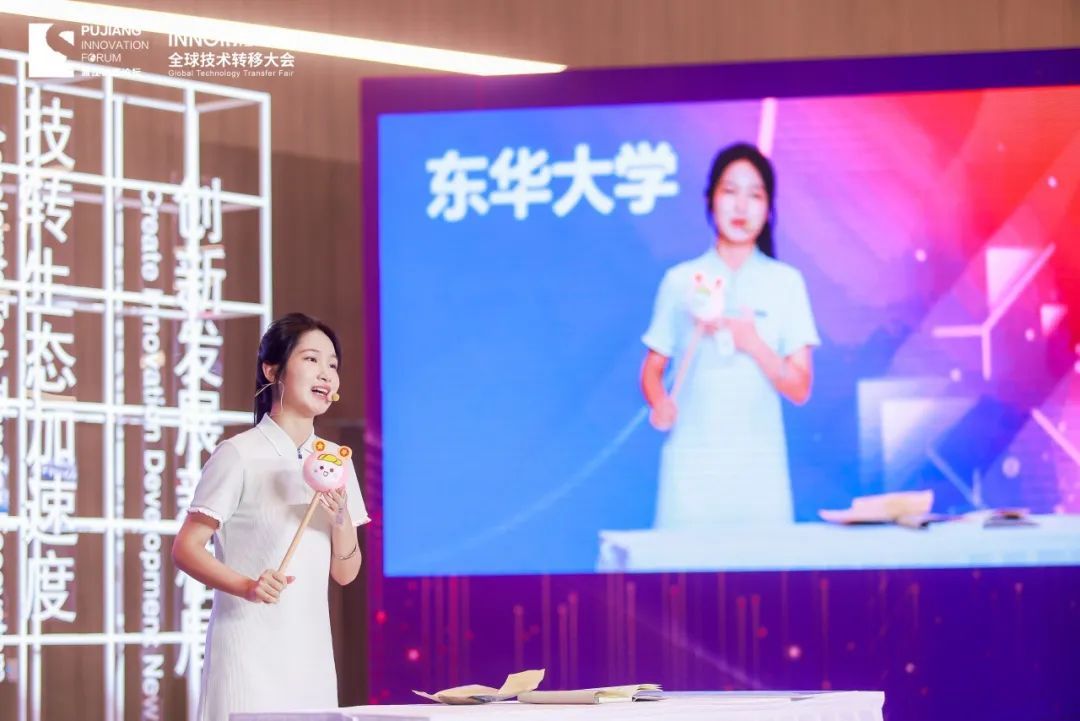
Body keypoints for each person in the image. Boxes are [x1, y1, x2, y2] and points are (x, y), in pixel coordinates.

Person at [172, 313, 369, 720]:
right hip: (247, 648)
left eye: (332, 364)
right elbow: (186, 548)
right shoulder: (239, 453)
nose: (326, 373)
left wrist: (340, 517)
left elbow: (346, 573)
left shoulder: (336, 460)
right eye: (311, 359)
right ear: (272, 370)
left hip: (311, 653)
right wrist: (247, 586)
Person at [640, 143, 820, 528]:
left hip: (759, 470)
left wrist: (753, 343)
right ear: (710, 199)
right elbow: (653, 369)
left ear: (768, 208)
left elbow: (800, 388)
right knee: (683, 566)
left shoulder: (786, 283)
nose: (741, 207)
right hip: (692, 466)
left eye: (755, 195)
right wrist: (659, 402)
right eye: (730, 191)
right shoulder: (680, 280)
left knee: (764, 566)